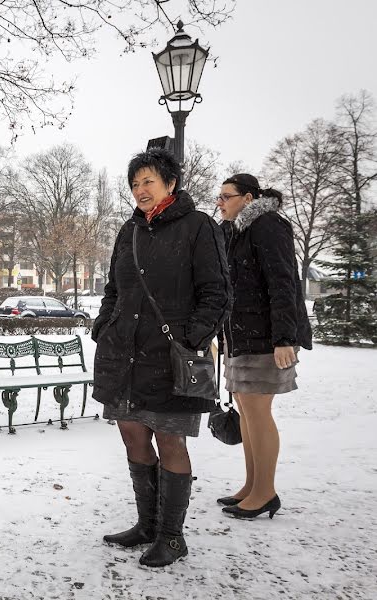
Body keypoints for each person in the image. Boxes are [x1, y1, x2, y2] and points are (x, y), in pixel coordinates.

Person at [92, 148, 230, 568]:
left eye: (148, 181)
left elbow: (217, 291)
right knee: (133, 433)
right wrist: (104, 324)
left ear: (170, 183)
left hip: (172, 356)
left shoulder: (198, 227)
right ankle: (147, 524)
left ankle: (172, 536)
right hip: (125, 353)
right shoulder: (128, 231)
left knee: (170, 438)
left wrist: (192, 337)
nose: (140, 190)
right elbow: (114, 288)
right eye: (135, 184)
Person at [216, 173, 312, 519]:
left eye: (226, 196)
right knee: (246, 411)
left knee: (258, 413)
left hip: (264, 338)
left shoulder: (268, 225)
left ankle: (265, 492)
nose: (220, 202)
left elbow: (283, 281)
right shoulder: (236, 232)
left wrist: (284, 338)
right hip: (241, 336)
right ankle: (251, 485)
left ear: (249, 198)